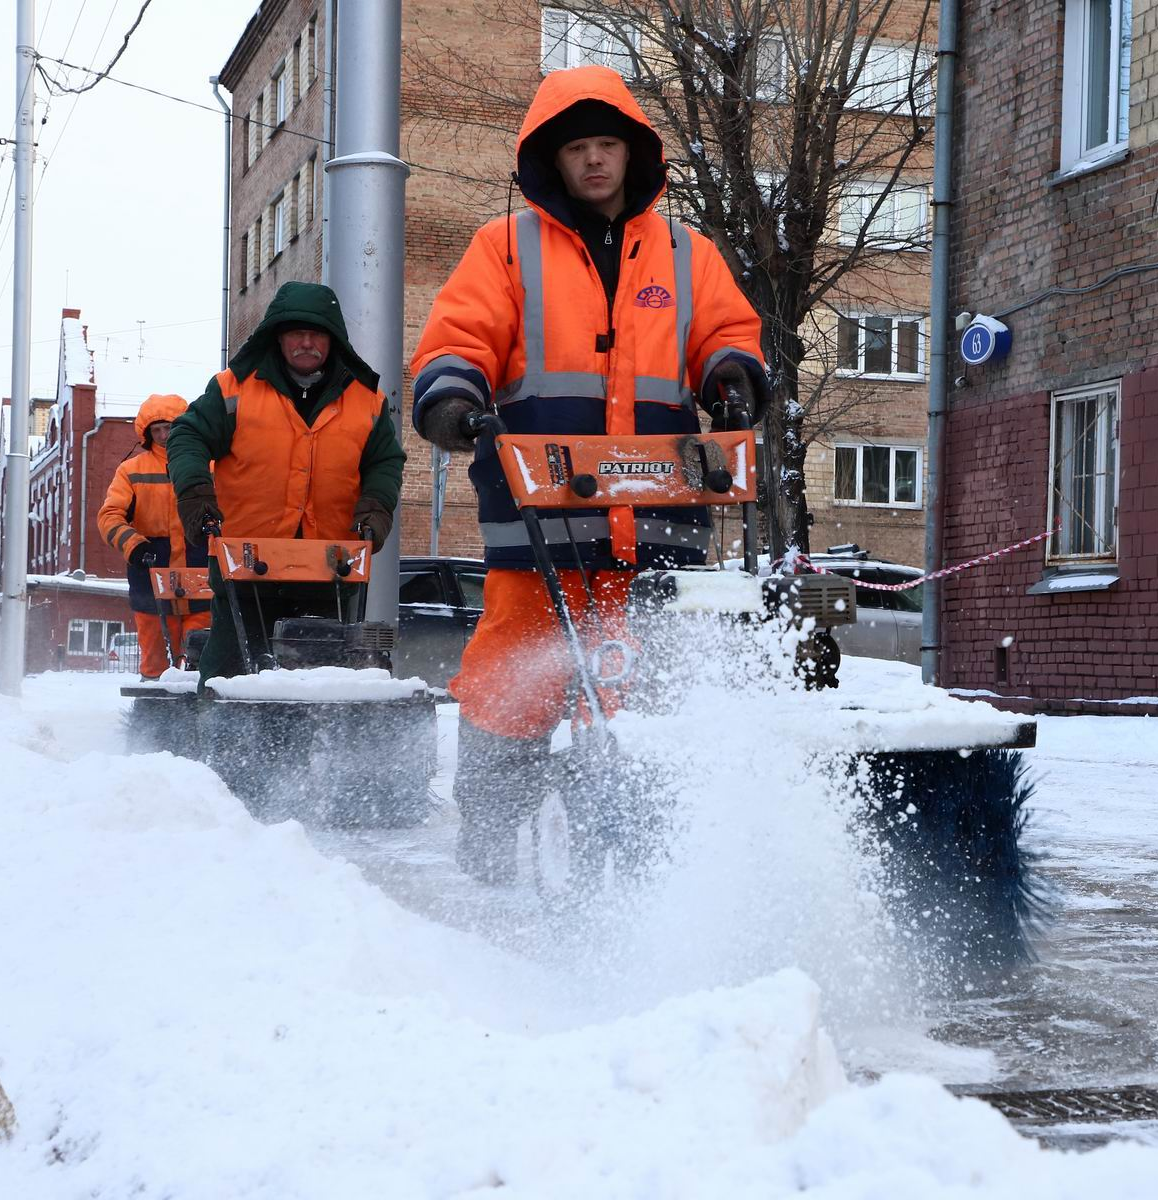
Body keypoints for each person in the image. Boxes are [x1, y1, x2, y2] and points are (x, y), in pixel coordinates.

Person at [410, 65, 769, 883]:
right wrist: (454, 397)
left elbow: (726, 331)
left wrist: (731, 373)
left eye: (608, 144)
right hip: (539, 527)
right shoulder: (504, 248)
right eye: (579, 148)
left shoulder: (688, 253)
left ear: (633, 152)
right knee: (509, 690)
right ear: (553, 158)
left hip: (654, 527)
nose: (596, 161)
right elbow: (455, 342)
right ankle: (493, 848)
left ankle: (644, 863)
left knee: (640, 703)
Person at [167, 281, 406, 683]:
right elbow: (187, 436)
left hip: (330, 565)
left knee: (325, 678)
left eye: (317, 333)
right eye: (297, 332)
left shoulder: (367, 401)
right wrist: (195, 493)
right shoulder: (233, 389)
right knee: (229, 673)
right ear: (277, 336)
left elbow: (385, 461)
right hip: (243, 563)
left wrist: (377, 506)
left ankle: (316, 746)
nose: (307, 342)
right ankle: (214, 742)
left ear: (333, 340)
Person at [97, 394, 212, 679]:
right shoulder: (132, 470)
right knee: (155, 657)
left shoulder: (209, 467)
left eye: (169, 427)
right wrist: (133, 545)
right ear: (147, 433)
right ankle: (151, 709)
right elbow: (109, 516)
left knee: (203, 649)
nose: (163, 435)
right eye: (157, 430)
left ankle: (201, 708)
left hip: (202, 572)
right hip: (151, 573)